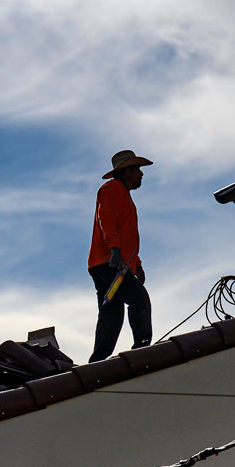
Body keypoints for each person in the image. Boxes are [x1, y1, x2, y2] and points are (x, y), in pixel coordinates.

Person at [88, 149, 154, 362]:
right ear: (128, 171)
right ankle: (142, 349)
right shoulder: (112, 188)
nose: (142, 174)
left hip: (108, 263)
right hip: (110, 263)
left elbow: (128, 238)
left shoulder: (122, 194)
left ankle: (97, 362)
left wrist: (137, 265)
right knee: (139, 299)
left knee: (112, 313)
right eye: (138, 170)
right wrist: (114, 249)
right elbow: (105, 218)